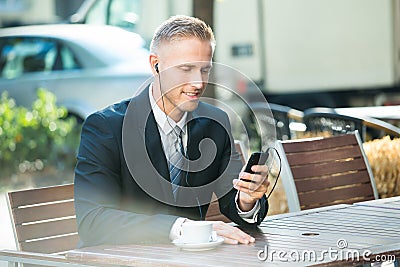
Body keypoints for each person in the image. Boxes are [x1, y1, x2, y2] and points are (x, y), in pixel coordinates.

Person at [74, 15, 270, 248]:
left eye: (205, 70)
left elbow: (233, 203)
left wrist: (246, 200)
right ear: (156, 65)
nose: (198, 83)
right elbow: (92, 221)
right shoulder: (106, 127)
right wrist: (180, 228)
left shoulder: (215, 123)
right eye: (186, 69)